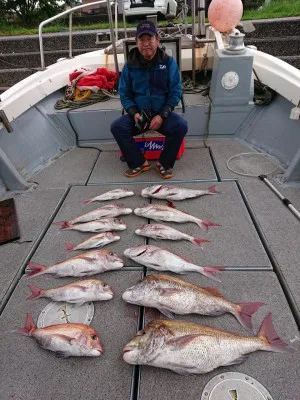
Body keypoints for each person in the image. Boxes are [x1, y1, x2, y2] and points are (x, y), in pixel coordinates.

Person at [111, 20, 188, 179]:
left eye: (149, 39)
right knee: (117, 127)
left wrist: (163, 115)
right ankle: (138, 162)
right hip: (139, 116)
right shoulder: (129, 65)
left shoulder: (168, 62)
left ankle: (164, 163)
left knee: (181, 126)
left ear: (157, 40)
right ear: (136, 42)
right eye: (142, 40)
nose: (146, 44)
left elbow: (176, 91)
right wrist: (134, 113)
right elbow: (124, 92)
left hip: (161, 115)